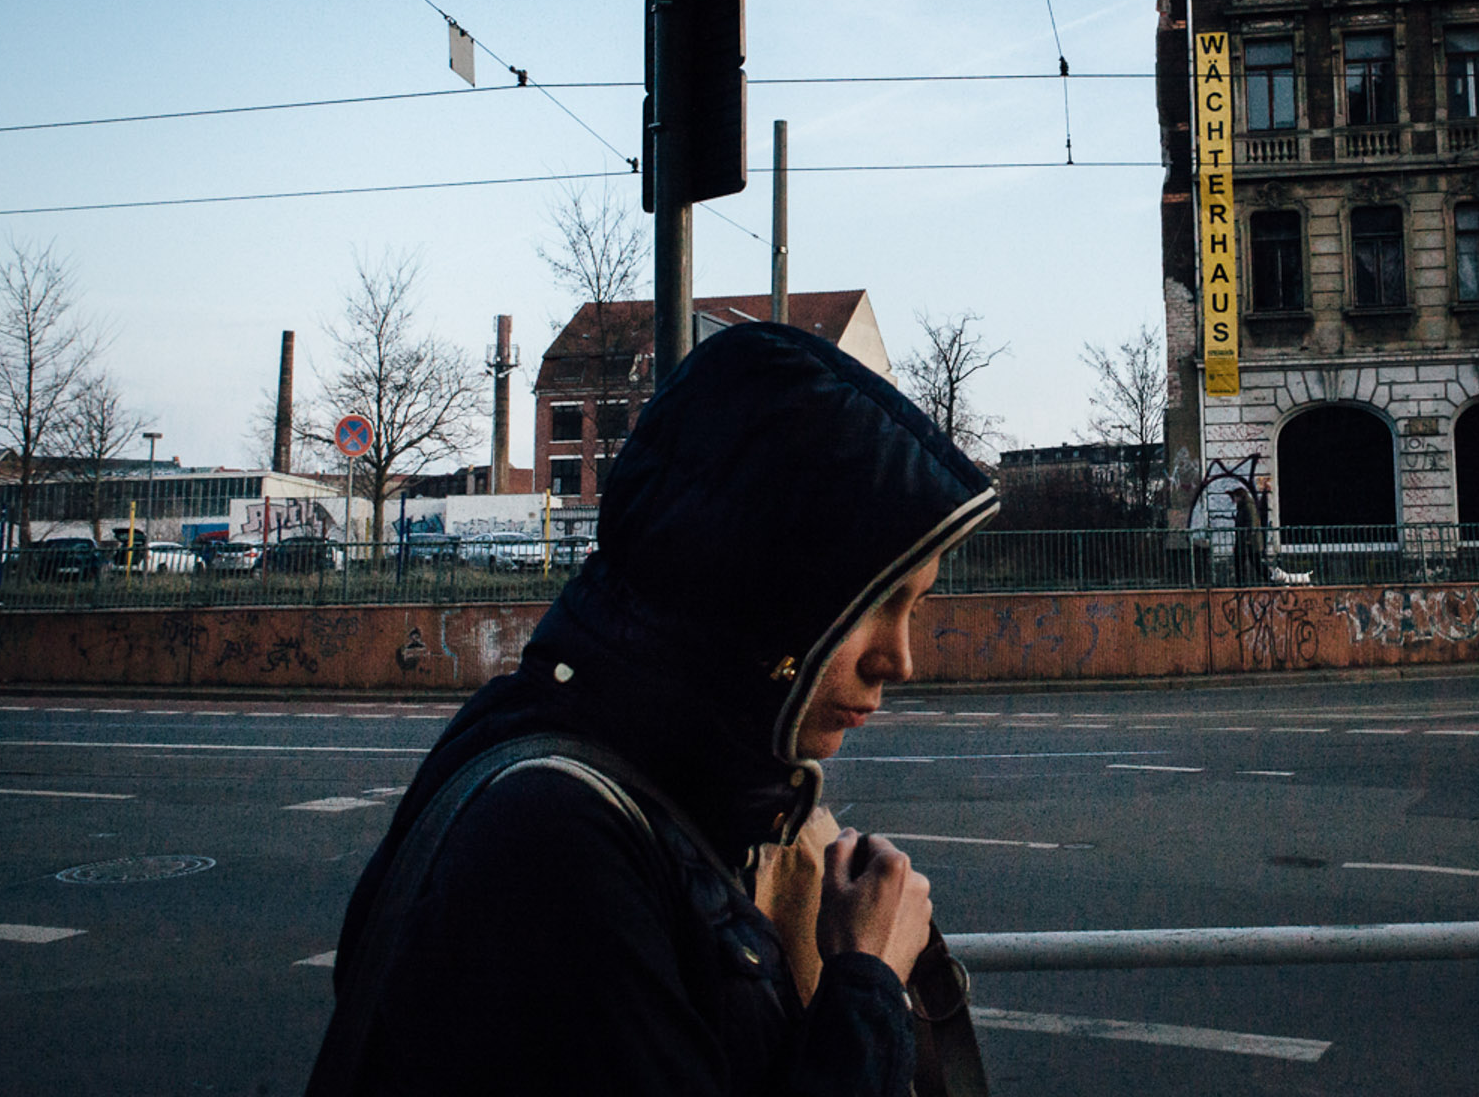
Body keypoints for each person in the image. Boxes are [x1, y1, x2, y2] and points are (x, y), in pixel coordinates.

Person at [308, 322, 998, 1097]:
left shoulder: (665, 792)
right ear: (760, 586)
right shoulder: (557, 849)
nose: (897, 658)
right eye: (875, 606)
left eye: (915, 607)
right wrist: (866, 986)